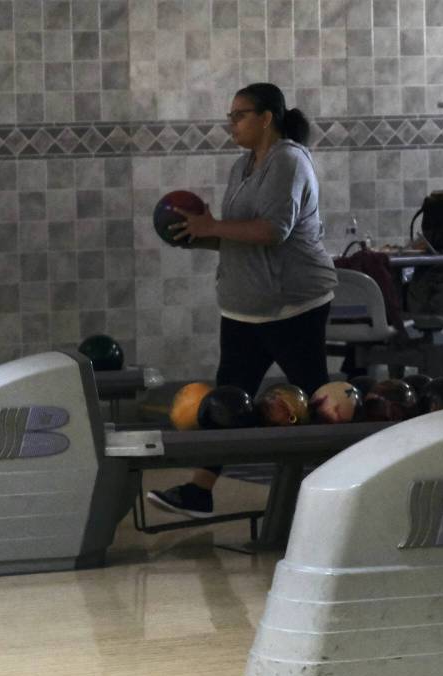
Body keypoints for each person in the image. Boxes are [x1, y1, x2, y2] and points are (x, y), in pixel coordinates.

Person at [147, 83, 338, 518]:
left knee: (316, 402)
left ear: (266, 118)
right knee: (228, 400)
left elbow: (272, 231)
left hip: (293, 306)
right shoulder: (242, 166)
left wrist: (211, 226)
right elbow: (238, 235)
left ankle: (340, 492)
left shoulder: (288, 161)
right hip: (243, 309)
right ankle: (200, 490)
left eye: (239, 115)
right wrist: (198, 236)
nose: (231, 124)